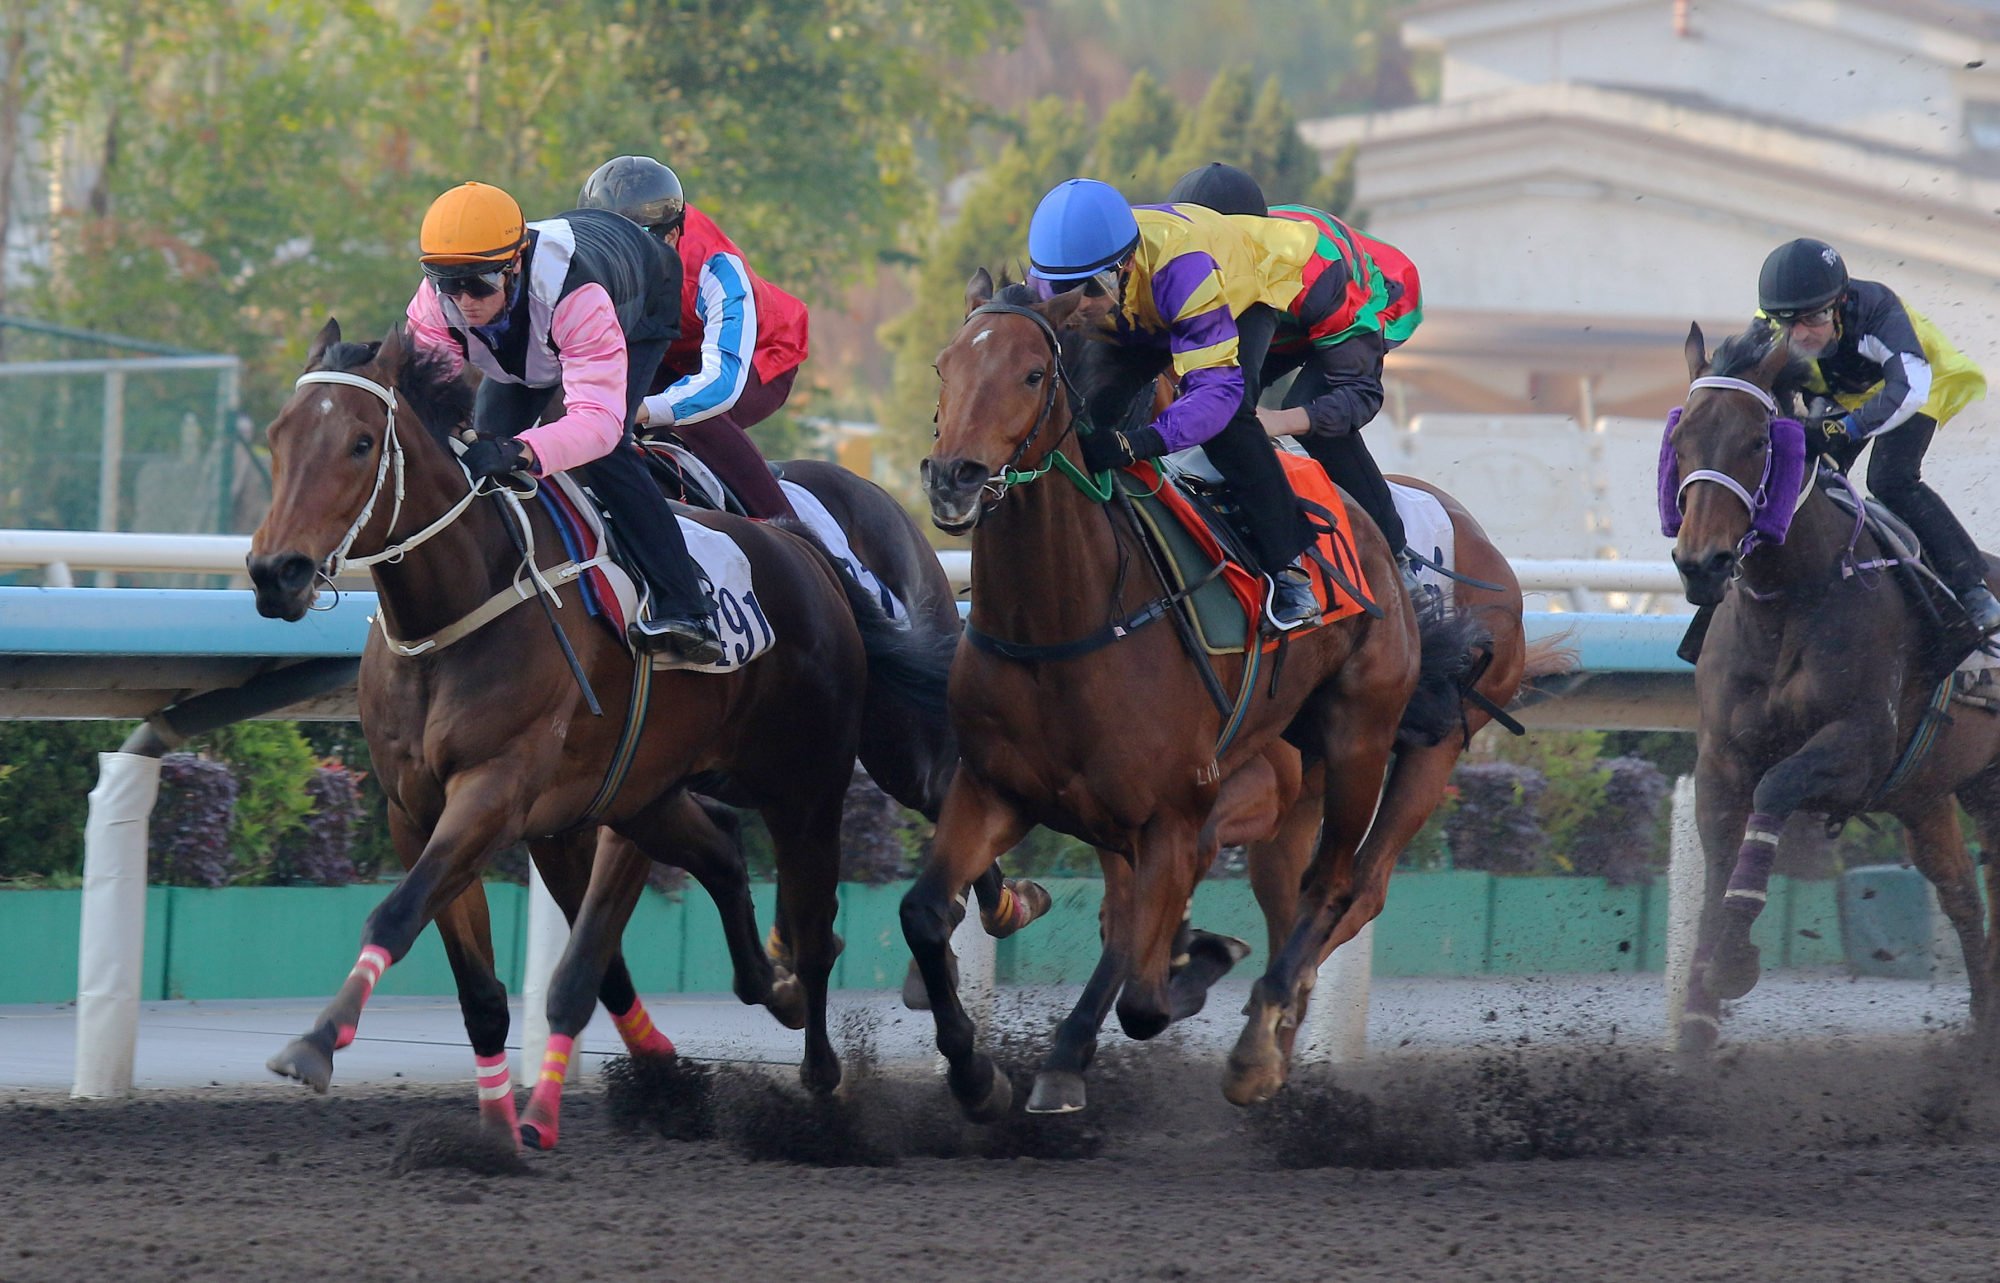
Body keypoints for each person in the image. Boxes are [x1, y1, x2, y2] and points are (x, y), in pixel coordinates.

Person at [403, 180, 724, 663]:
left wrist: (522, 452)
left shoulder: (578, 296)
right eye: (449, 283)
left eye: (478, 283)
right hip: (534, 329)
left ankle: (687, 606)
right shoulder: (433, 305)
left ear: (514, 263)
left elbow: (596, 422)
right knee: (478, 453)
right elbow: (426, 410)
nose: (463, 301)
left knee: (608, 451)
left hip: (638, 297)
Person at [1025, 177, 1322, 630]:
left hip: (1233, 292)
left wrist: (1138, 443)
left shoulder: (1184, 269)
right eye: (1063, 290)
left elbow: (1215, 392)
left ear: (1124, 266)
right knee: (1092, 407)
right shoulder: (1056, 282)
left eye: (1090, 288)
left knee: (1231, 417)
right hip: (1138, 306)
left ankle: (1289, 567)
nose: (1078, 305)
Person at [1165, 163, 1421, 573]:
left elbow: (1359, 394)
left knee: (1308, 408)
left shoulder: (1320, 273)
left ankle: (1397, 559)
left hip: (1365, 298)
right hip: (1277, 306)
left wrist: (1279, 421)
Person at [1759, 237, 2000, 635]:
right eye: (1788, 322)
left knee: (1890, 479)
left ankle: (1973, 590)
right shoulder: (1769, 321)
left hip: (1918, 383)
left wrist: (1846, 428)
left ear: (1839, 304)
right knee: (1810, 480)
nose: (1799, 334)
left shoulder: (1877, 312)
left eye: (1813, 319)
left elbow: (1907, 390)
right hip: (1841, 389)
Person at [576, 156, 808, 520]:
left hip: (758, 356)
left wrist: (645, 409)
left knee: (691, 416)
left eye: (628, 246)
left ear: (670, 237)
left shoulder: (716, 268)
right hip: (671, 351)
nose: (612, 259)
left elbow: (720, 383)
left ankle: (788, 528)